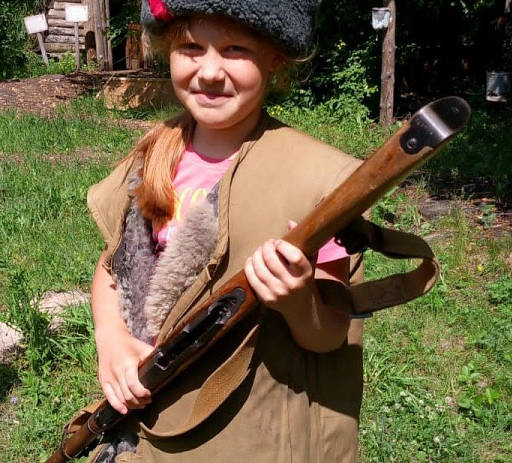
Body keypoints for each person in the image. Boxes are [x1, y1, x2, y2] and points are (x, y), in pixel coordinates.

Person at [85, 1, 365, 462]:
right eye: (191, 47)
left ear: (275, 57)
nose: (210, 71)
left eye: (235, 49)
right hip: (148, 424)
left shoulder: (315, 183)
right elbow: (112, 266)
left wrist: (298, 301)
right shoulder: (154, 156)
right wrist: (109, 336)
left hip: (247, 435)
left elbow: (329, 335)